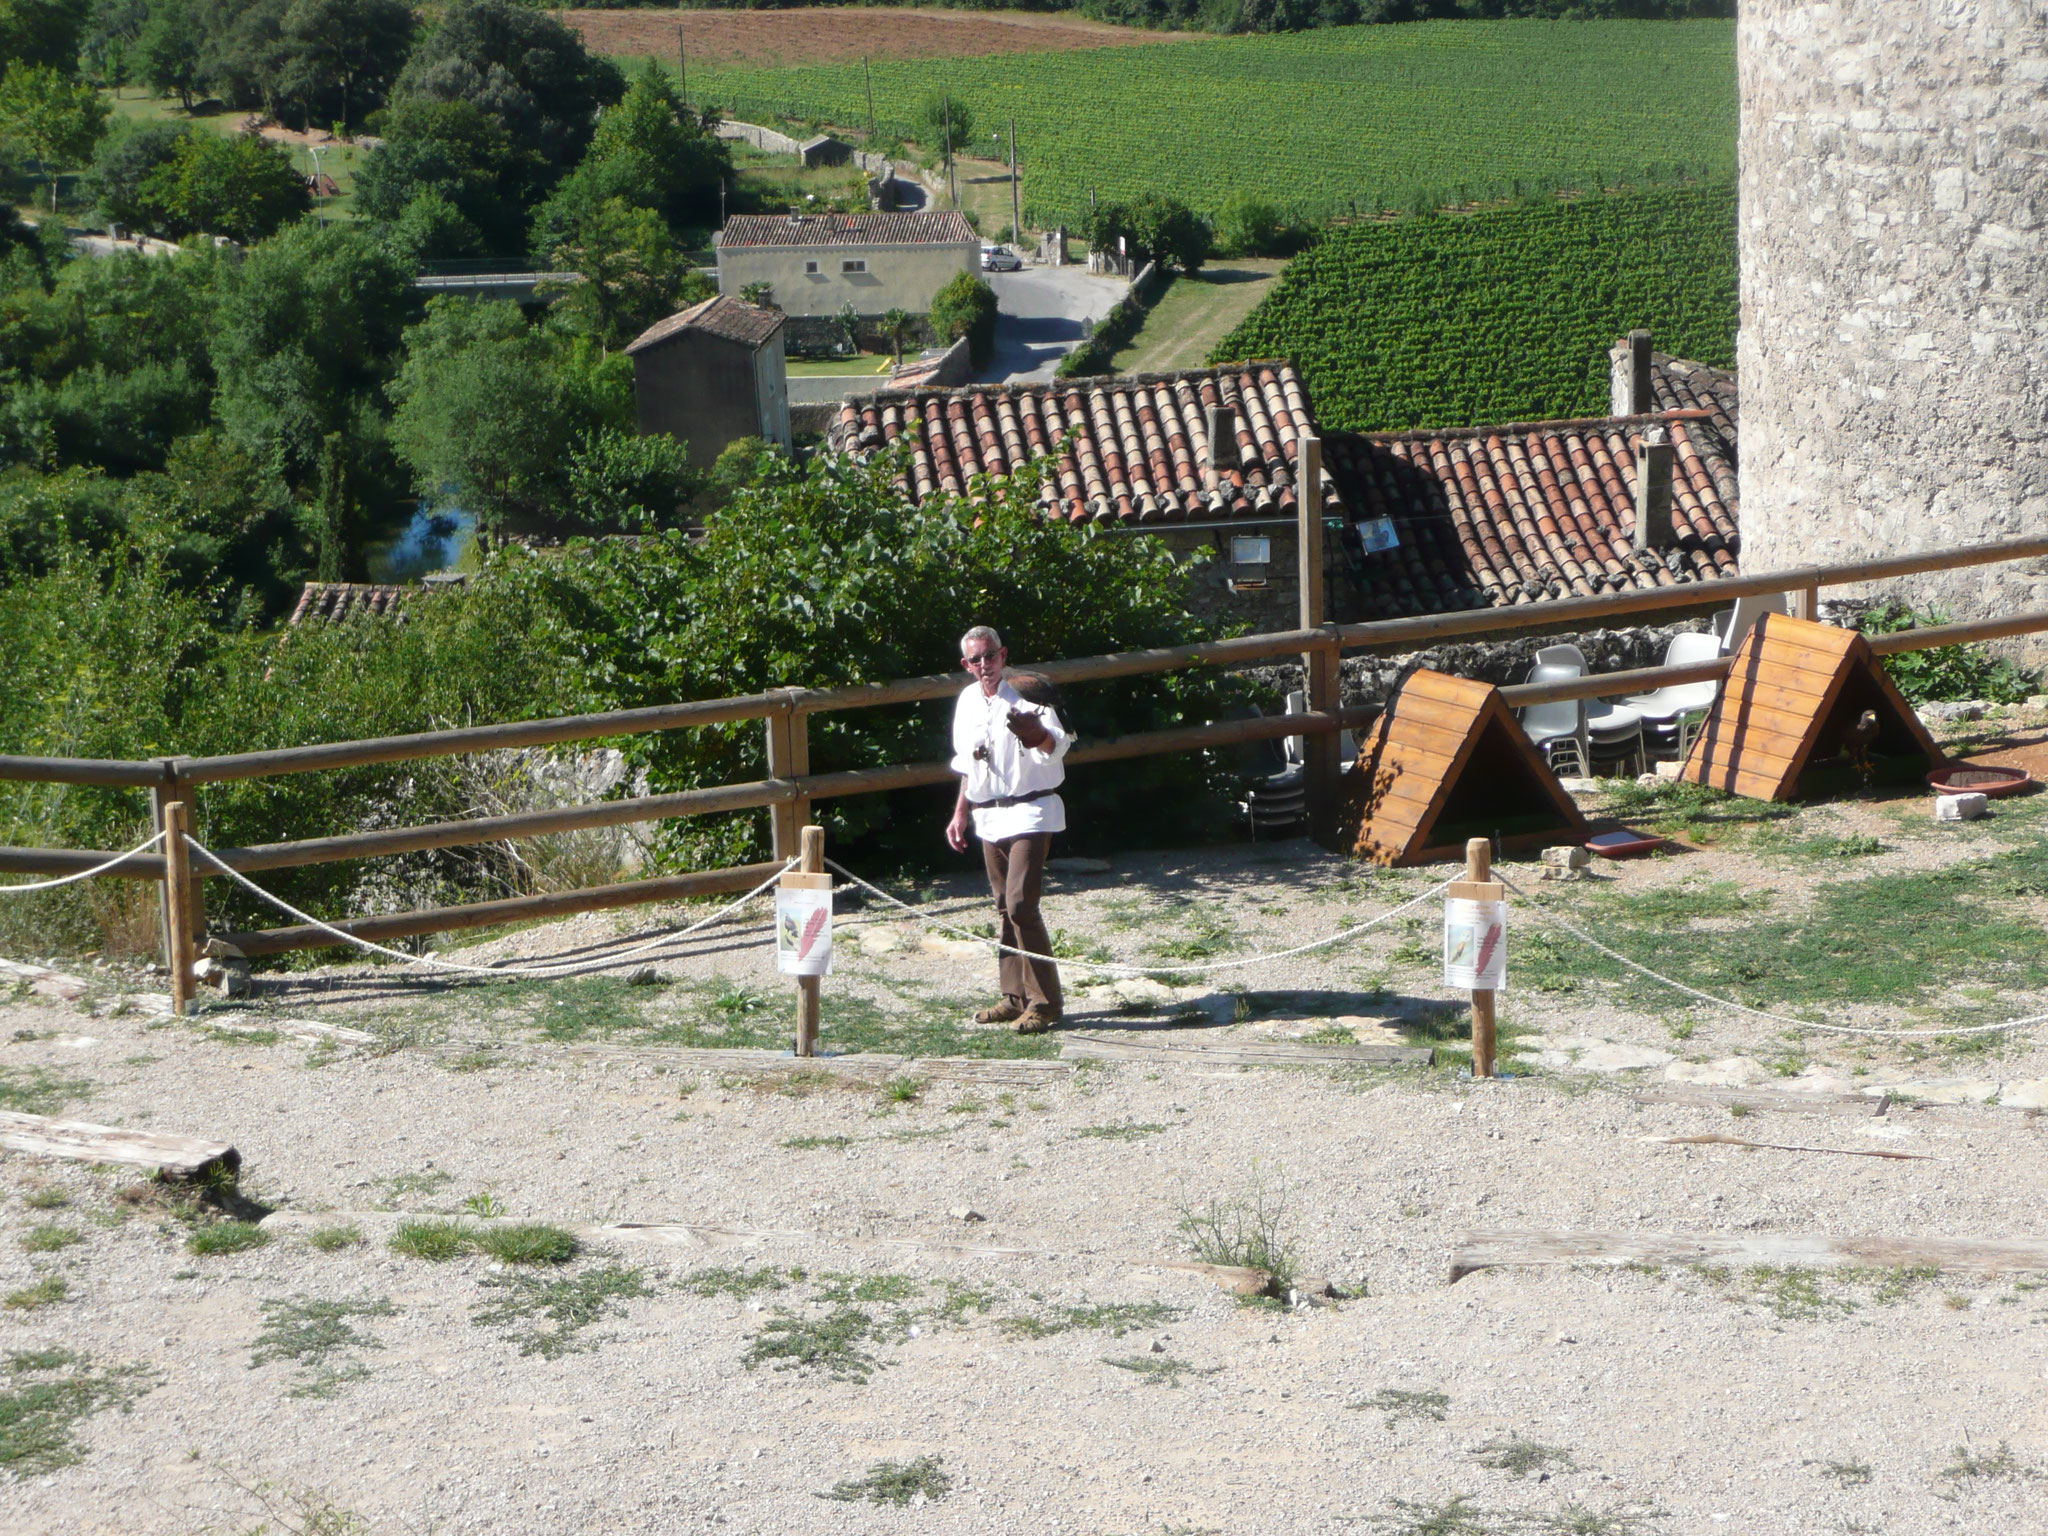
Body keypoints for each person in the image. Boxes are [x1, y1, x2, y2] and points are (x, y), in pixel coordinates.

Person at [946, 624, 1070, 1033]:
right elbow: (967, 763)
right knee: (1003, 907)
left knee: (1020, 904)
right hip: (988, 815)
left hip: (1031, 811)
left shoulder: (1028, 692)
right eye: (976, 659)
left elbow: (1060, 741)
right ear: (967, 665)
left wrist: (1037, 737)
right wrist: (960, 812)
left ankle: (1046, 1002)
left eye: (991, 655)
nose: (985, 665)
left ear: (1003, 654)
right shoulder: (967, 701)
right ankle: (1014, 998)